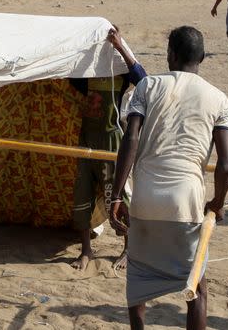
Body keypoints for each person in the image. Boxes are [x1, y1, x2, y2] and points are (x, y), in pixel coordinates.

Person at [109, 26, 228, 330]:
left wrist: (115, 195)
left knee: (138, 284)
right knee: (196, 290)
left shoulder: (148, 86)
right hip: (187, 201)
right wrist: (217, 203)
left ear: (171, 55)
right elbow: (226, 164)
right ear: (201, 57)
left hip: (145, 198)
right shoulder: (218, 98)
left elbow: (131, 139)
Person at [69, 26, 147, 272]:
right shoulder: (87, 74)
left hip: (112, 141)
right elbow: (70, 77)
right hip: (87, 138)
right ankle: (86, 250)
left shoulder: (121, 73)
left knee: (120, 195)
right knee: (82, 193)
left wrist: (120, 46)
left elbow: (142, 79)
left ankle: (127, 248)